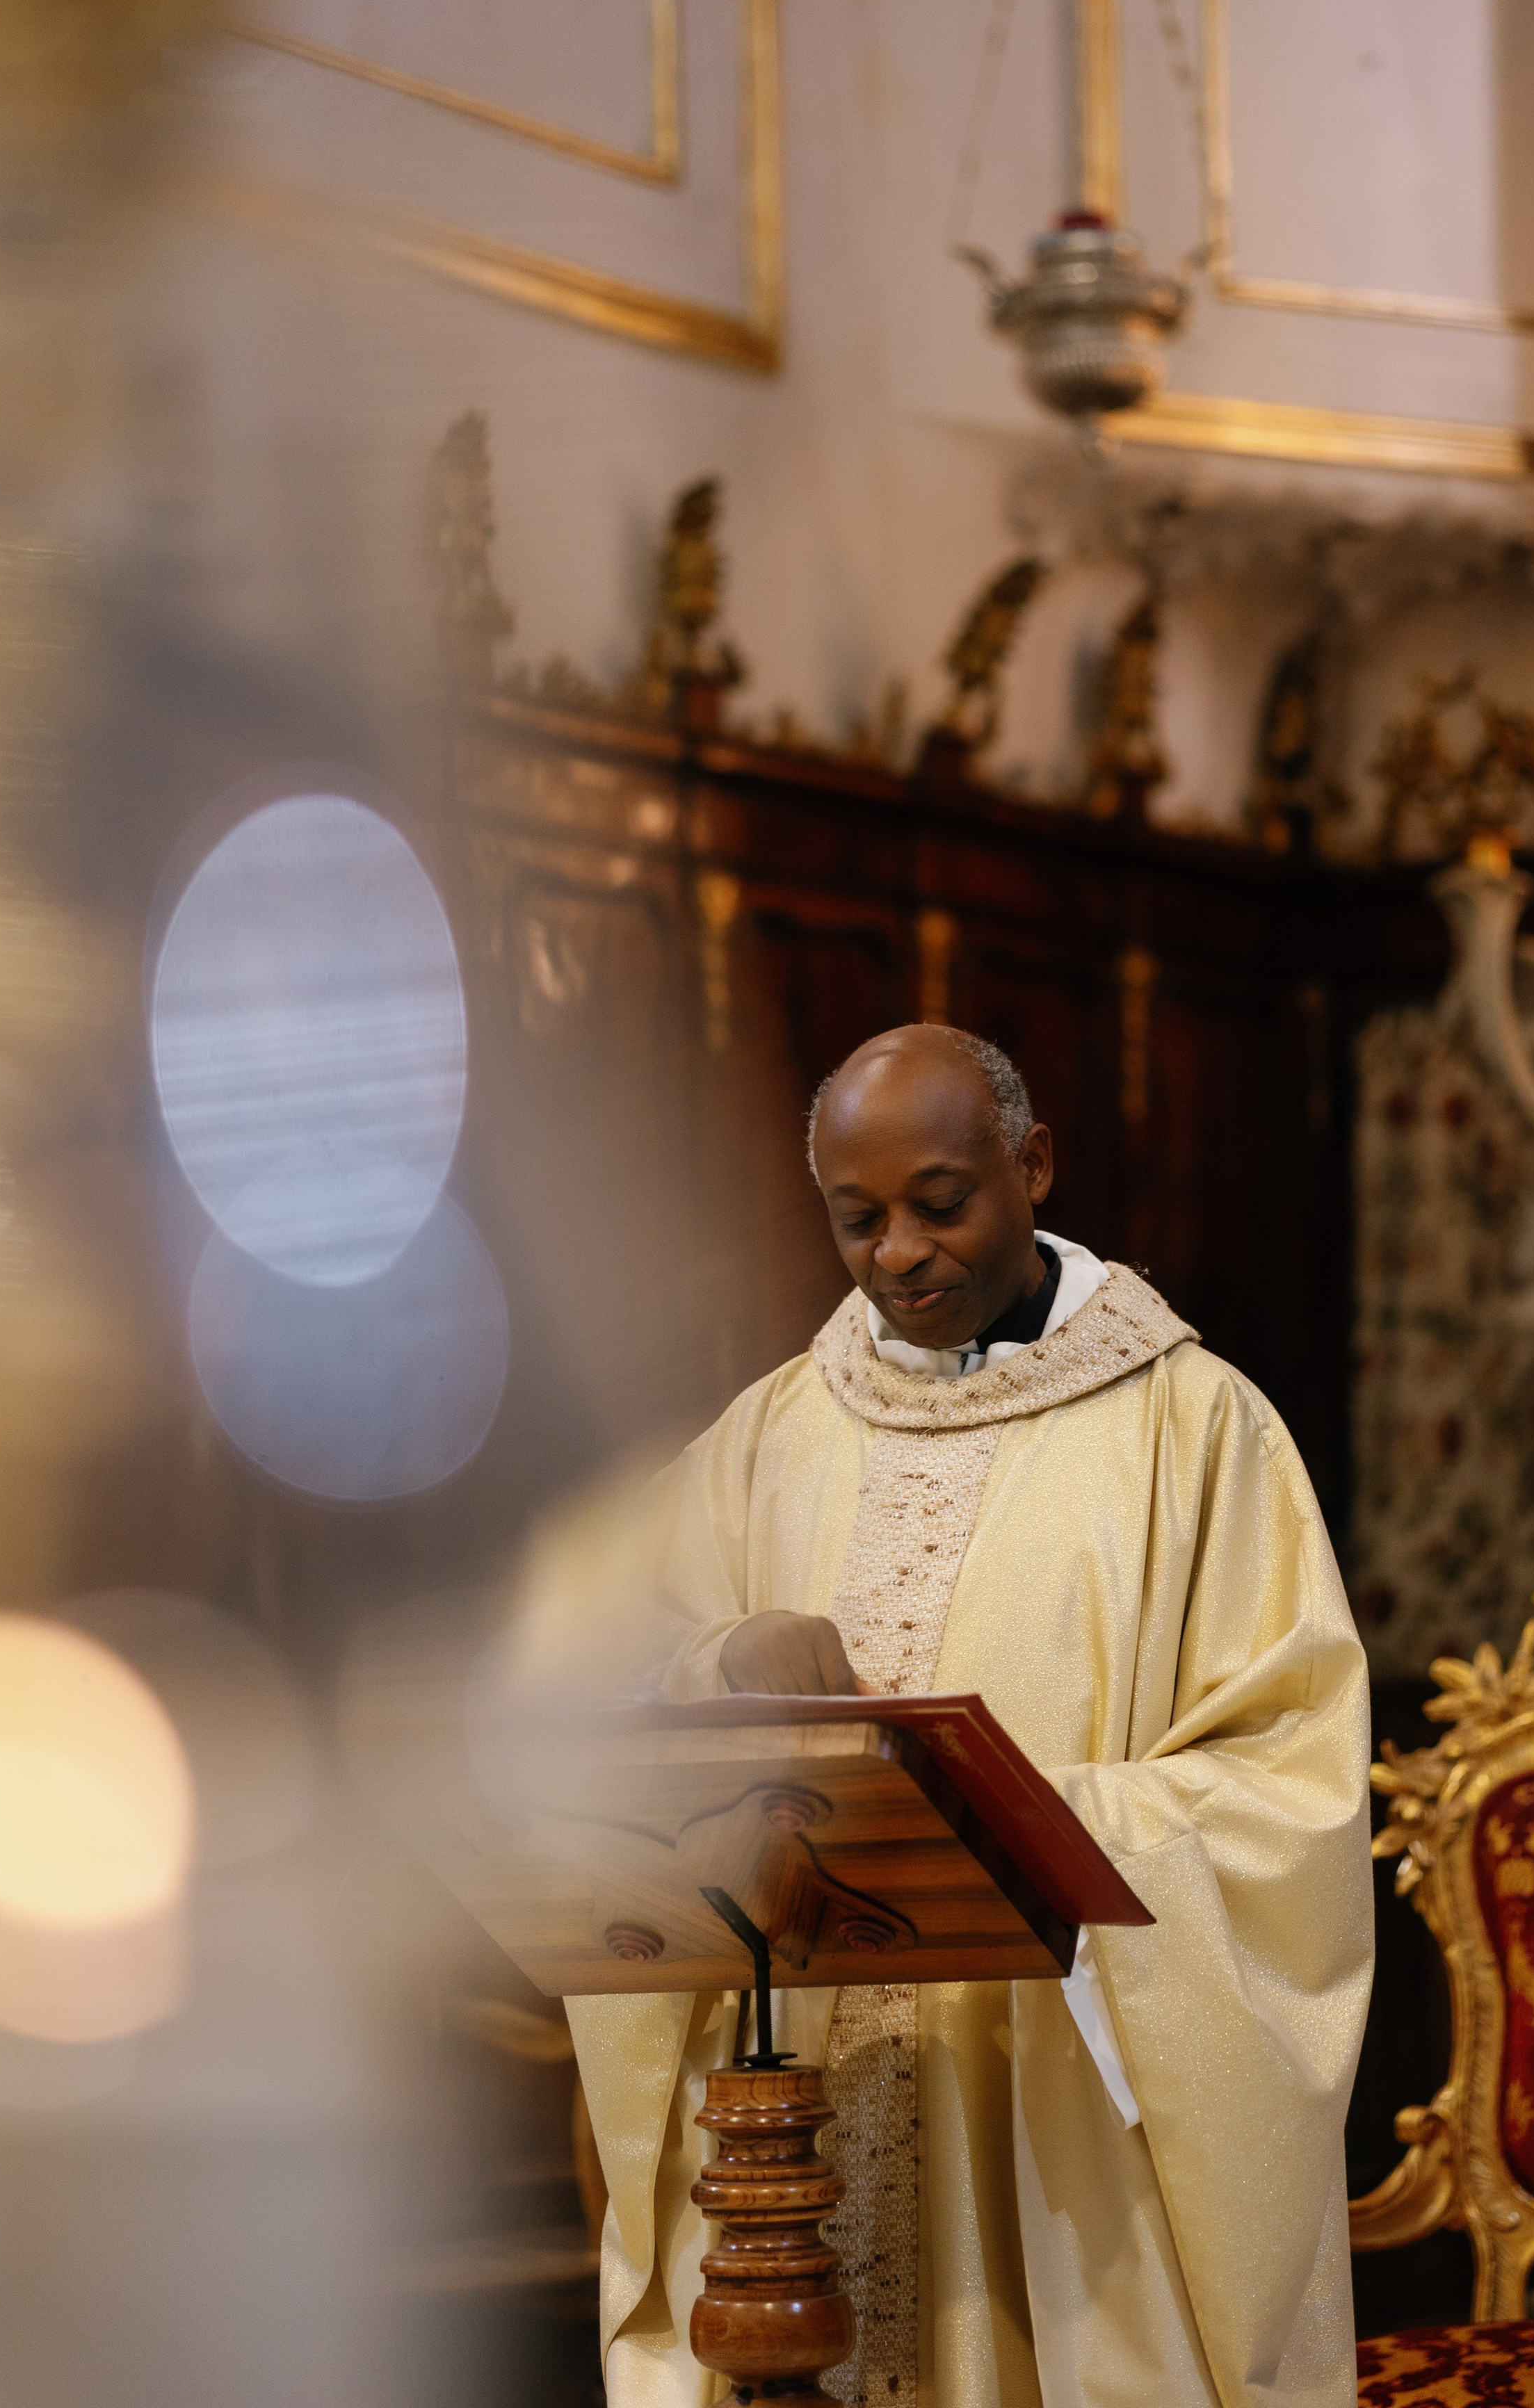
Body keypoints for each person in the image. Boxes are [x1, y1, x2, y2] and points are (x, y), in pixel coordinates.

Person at [566, 1024, 1373, 2408]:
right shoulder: (769, 1438)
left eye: (939, 1205)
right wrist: (719, 1657)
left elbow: (1285, 1780)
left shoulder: (1194, 1432)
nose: (896, 1253)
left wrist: (1030, 1818)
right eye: (854, 1219)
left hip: (1049, 2087)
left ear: (1031, 1167)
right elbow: (580, 1674)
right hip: (801, 2094)